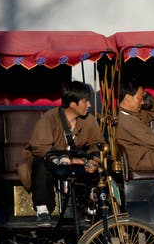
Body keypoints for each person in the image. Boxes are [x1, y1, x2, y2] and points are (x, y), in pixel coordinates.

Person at [24, 81, 105, 225]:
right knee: (40, 162)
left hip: (77, 162)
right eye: (86, 101)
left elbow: (96, 144)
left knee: (98, 165)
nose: (89, 105)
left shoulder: (89, 120)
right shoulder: (49, 119)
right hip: (52, 162)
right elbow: (41, 149)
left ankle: (88, 206)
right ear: (73, 104)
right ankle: (43, 209)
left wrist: (93, 160)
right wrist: (66, 159)